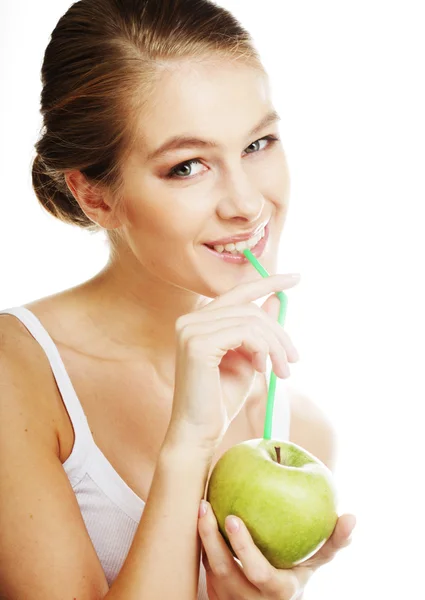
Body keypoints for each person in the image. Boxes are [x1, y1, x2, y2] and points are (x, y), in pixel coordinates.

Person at [0, 0, 356, 598]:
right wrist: (188, 441)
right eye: (188, 166)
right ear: (95, 196)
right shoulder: (18, 377)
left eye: (258, 143)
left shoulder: (301, 434)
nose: (246, 203)